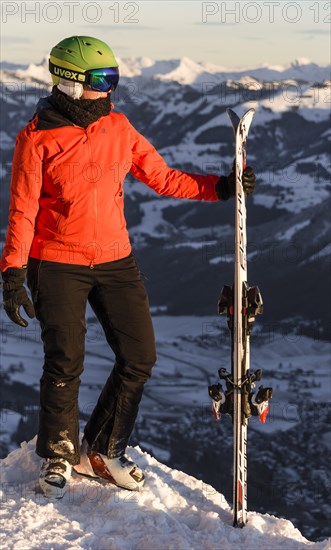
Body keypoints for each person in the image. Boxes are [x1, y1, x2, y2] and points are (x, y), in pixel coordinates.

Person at [1, 36, 256, 499]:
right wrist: (14, 274)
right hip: (57, 262)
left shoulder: (119, 128)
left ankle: (100, 450)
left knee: (139, 356)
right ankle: (59, 454)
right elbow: (22, 211)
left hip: (116, 259)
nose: (109, 88)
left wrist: (219, 187)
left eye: (113, 78)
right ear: (70, 83)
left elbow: (162, 176)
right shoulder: (36, 138)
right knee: (65, 361)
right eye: (101, 79)